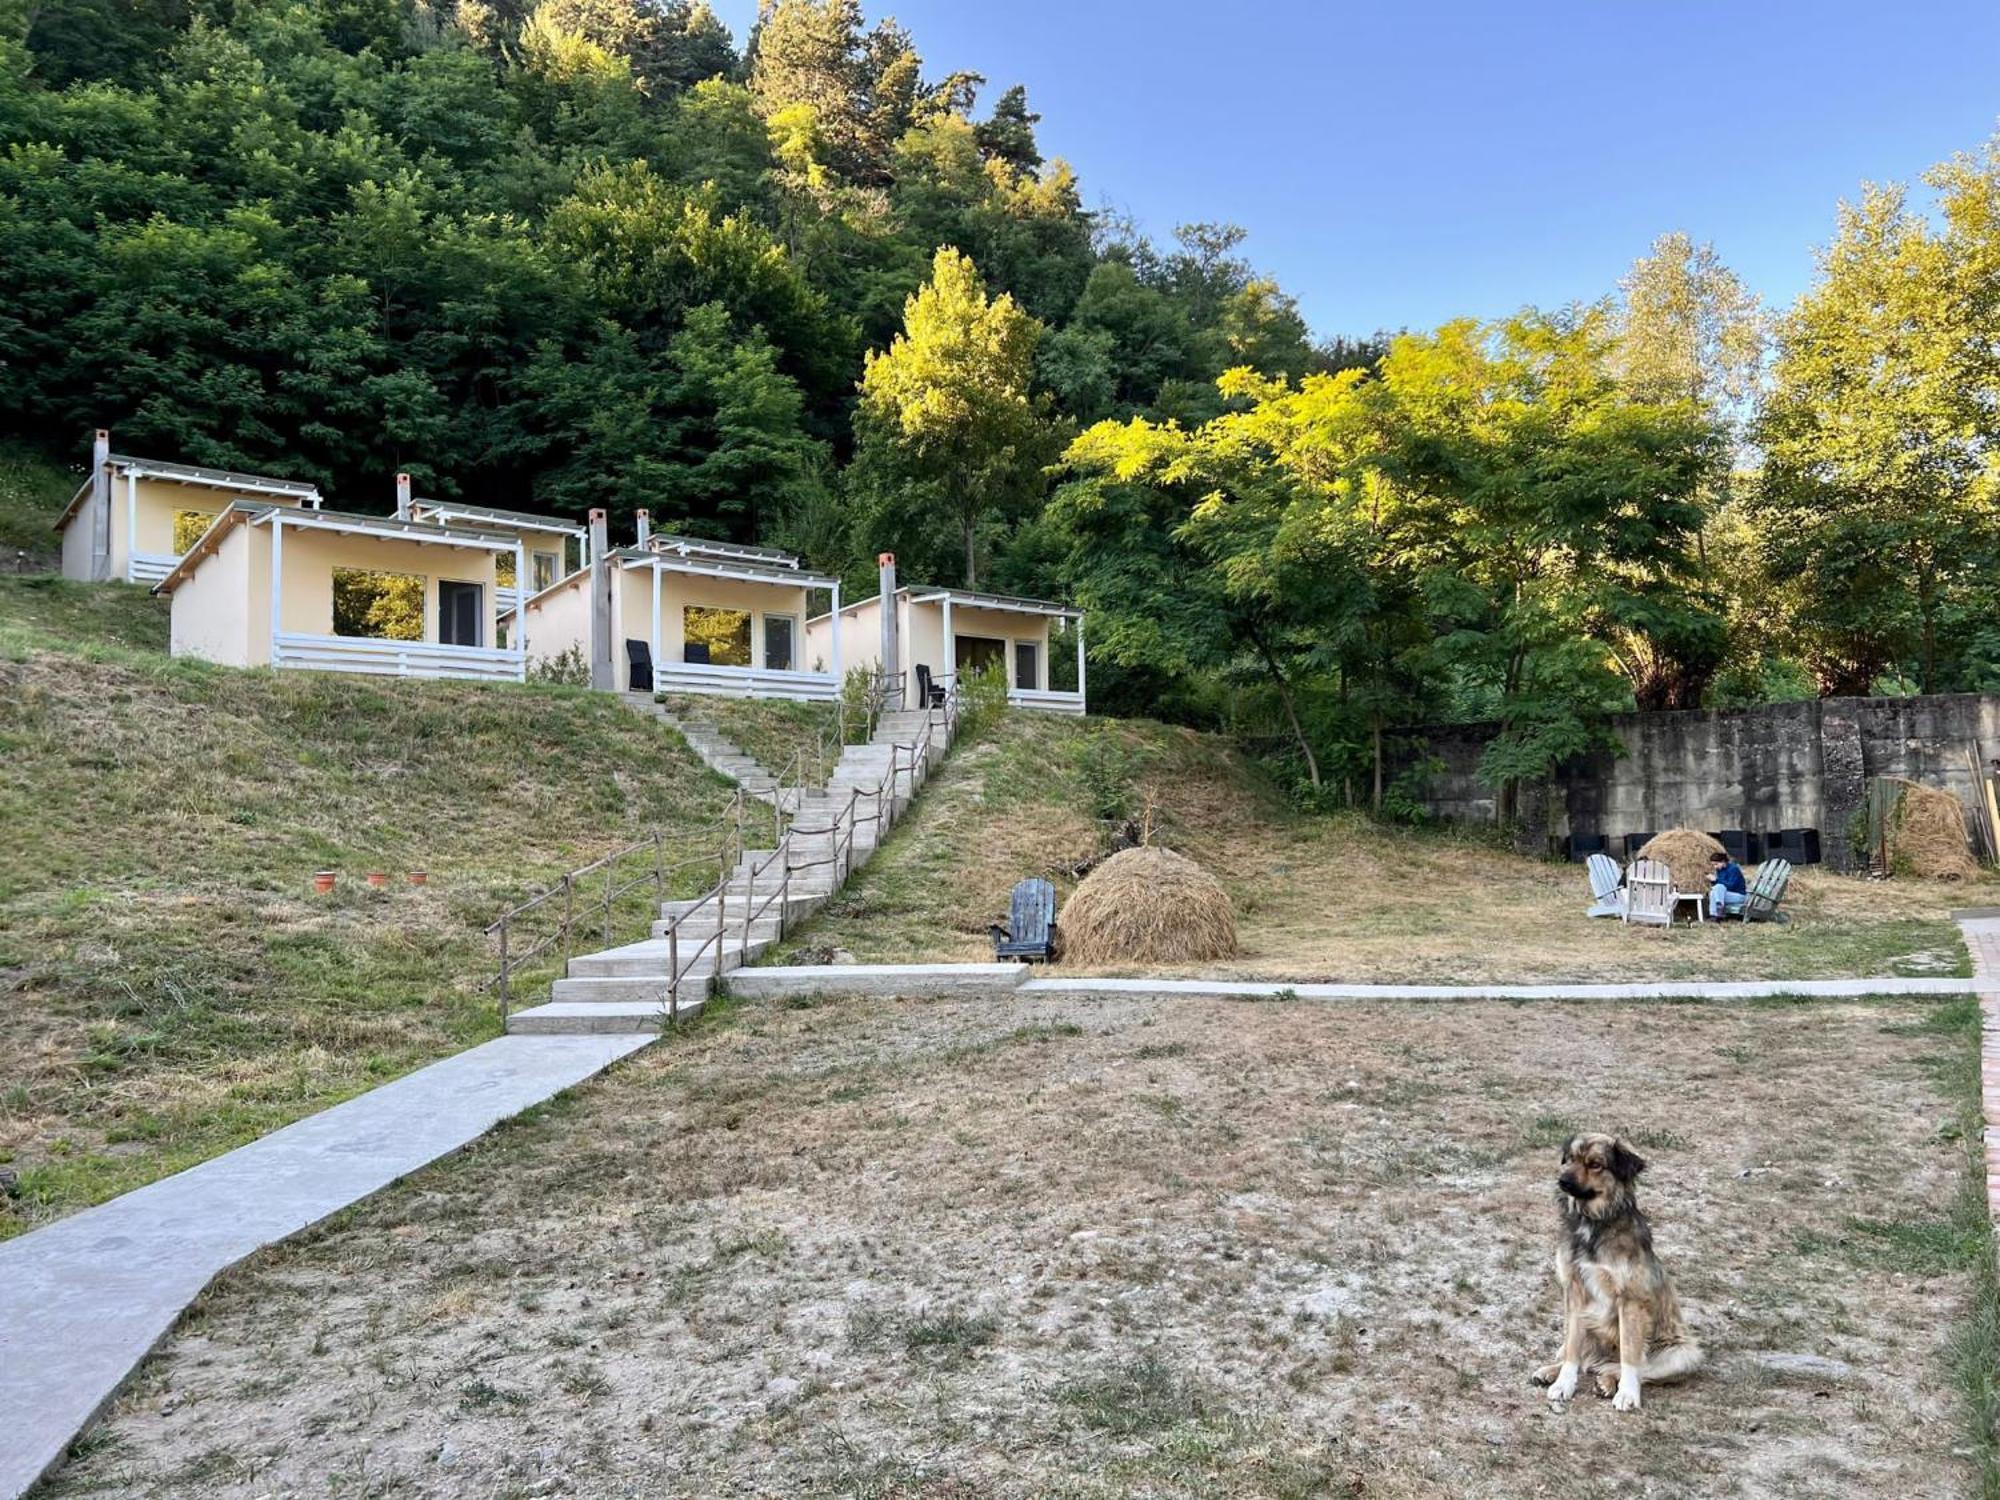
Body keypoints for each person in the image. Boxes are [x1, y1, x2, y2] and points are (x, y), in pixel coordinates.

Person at [1707, 850, 1747, 919]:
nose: (1715, 867)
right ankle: (1714, 915)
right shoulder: (1719, 870)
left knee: (1718, 888)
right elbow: (1721, 885)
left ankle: (1718, 912)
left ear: (1723, 861)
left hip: (1739, 896)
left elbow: (1731, 886)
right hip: (1726, 895)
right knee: (1713, 892)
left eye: (1716, 864)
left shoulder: (1733, 869)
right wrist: (1713, 881)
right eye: (1713, 865)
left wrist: (1716, 880)